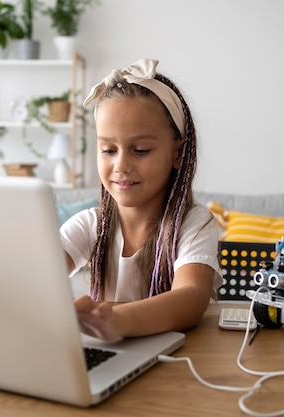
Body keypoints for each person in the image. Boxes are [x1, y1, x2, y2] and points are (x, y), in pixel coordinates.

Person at [60, 58, 222, 342]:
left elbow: (191, 298)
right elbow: (36, 275)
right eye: (108, 150)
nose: (121, 165)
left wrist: (116, 320)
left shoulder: (194, 224)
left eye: (141, 150)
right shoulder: (90, 224)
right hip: (111, 359)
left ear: (178, 154)